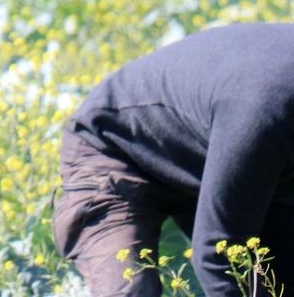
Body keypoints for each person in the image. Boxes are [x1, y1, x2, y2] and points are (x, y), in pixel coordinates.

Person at [54, 23, 294, 297]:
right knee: (132, 290)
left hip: (212, 156)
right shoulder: (265, 111)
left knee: (278, 284)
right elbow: (218, 254)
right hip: (115, 150)